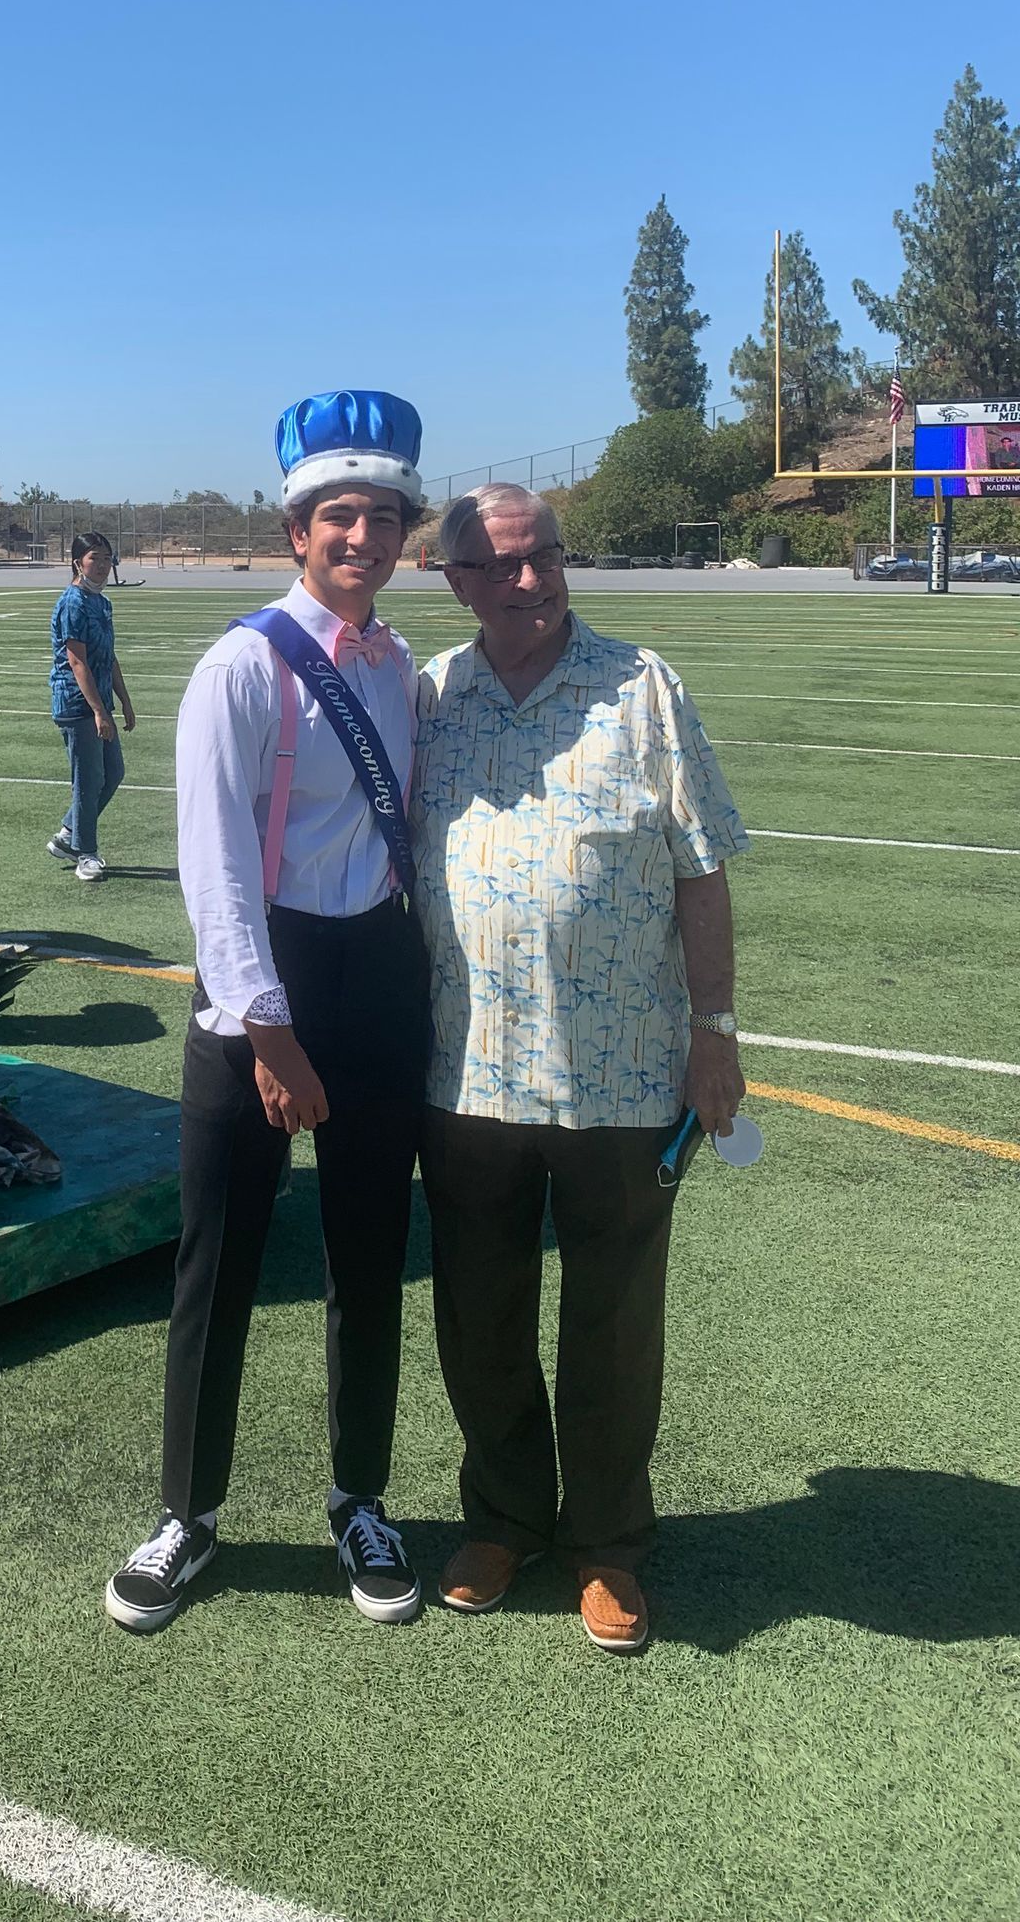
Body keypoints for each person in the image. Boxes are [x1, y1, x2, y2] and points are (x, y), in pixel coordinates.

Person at [104, 390, 431, 1633]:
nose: (362, 536)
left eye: (383, 517)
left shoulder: (399, 666)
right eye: (339, 515)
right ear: (296, 530)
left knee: (368, 1255)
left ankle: (360, 1498)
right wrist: (271, 1033)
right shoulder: (242, 665)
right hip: (259, 986)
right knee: (220, 1257)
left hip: (378, 974)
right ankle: (187, 1512)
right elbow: (216, 872)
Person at [412, 483, 748, 1653]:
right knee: (480, 1313)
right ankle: (504, 1518)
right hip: (466, 1075)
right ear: (457, 580)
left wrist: (716, 1031)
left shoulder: (642, 688)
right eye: (504, 563)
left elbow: (702, 865)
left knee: (614, 1319)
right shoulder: (429, 699)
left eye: (546, 554)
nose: (533, 579)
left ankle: (606, 1542)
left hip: (624, 1076)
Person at [47, 532, 135, 883]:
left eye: (106, 558)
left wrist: (124, 700)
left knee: (113, 773)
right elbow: (77, 661)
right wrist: (98, 711)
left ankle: (69, 834)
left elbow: (108, 656)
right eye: (94, 558)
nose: (101, 565)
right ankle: (86, 853)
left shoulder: (101, 602)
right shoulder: (73, 603)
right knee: (89, 779)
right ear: (77, 562)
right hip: (76, 701)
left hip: (99, 700)